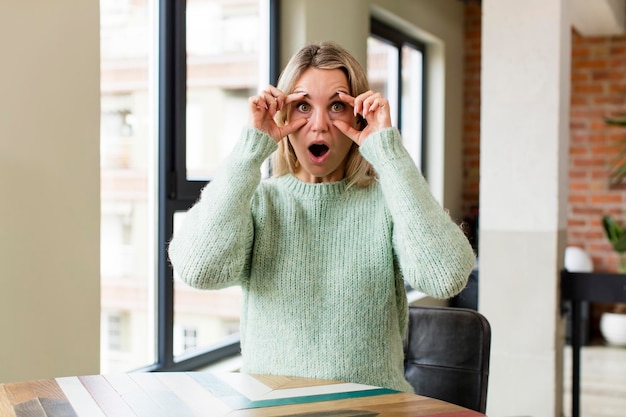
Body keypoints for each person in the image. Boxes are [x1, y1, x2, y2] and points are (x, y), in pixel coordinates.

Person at [168, 41, 475, 393]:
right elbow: (198, 269)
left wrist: (388, 152)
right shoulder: (260, 202)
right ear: (282, 116)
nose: (319, 125)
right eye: (302, 106)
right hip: (275, 411)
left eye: (336, 106)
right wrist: (249, 151)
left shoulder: (386, 202)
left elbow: (446, 277)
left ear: (358, 114)